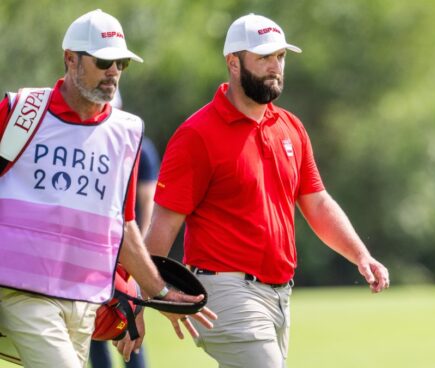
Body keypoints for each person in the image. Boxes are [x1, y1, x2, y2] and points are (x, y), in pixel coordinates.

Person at [144, 13, 390, 367]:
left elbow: (317, 203)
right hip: (225, 293)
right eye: (264, 57)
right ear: (233, 62)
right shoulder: (197, 134)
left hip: (279, 295)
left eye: (280, 57)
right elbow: (163, 224)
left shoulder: (290, 127)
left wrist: (360, 254)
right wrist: (151, 295)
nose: (276, 66)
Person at [0, 9, 215, 368]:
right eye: (104, 62)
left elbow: (124, 225)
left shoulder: (127, 132)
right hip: (23, 294)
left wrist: (157, 291)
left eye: (121, 64)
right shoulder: (20, 111)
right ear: (71, 59)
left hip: (85, 301)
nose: (113, 71)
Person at [89, 91, 160, 368]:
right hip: (93, 253)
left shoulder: (140, 147)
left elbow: (147, 205)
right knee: (95, 331)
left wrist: (138, 261)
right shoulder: (87, 143)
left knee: (128, 324)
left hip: (125, 253)